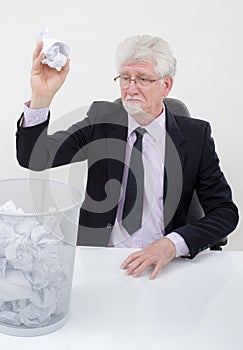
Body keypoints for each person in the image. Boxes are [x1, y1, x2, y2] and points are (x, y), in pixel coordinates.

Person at [16, 35, 239, 280]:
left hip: (165, 266)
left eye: (142, 79)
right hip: (102, 262)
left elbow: (225, 213)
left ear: (166, 85)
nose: (131, 88)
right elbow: (35, 159)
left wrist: (172, 244)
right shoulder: (101, 120)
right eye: (125, 78)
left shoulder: (196, 135)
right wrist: (41, 97)